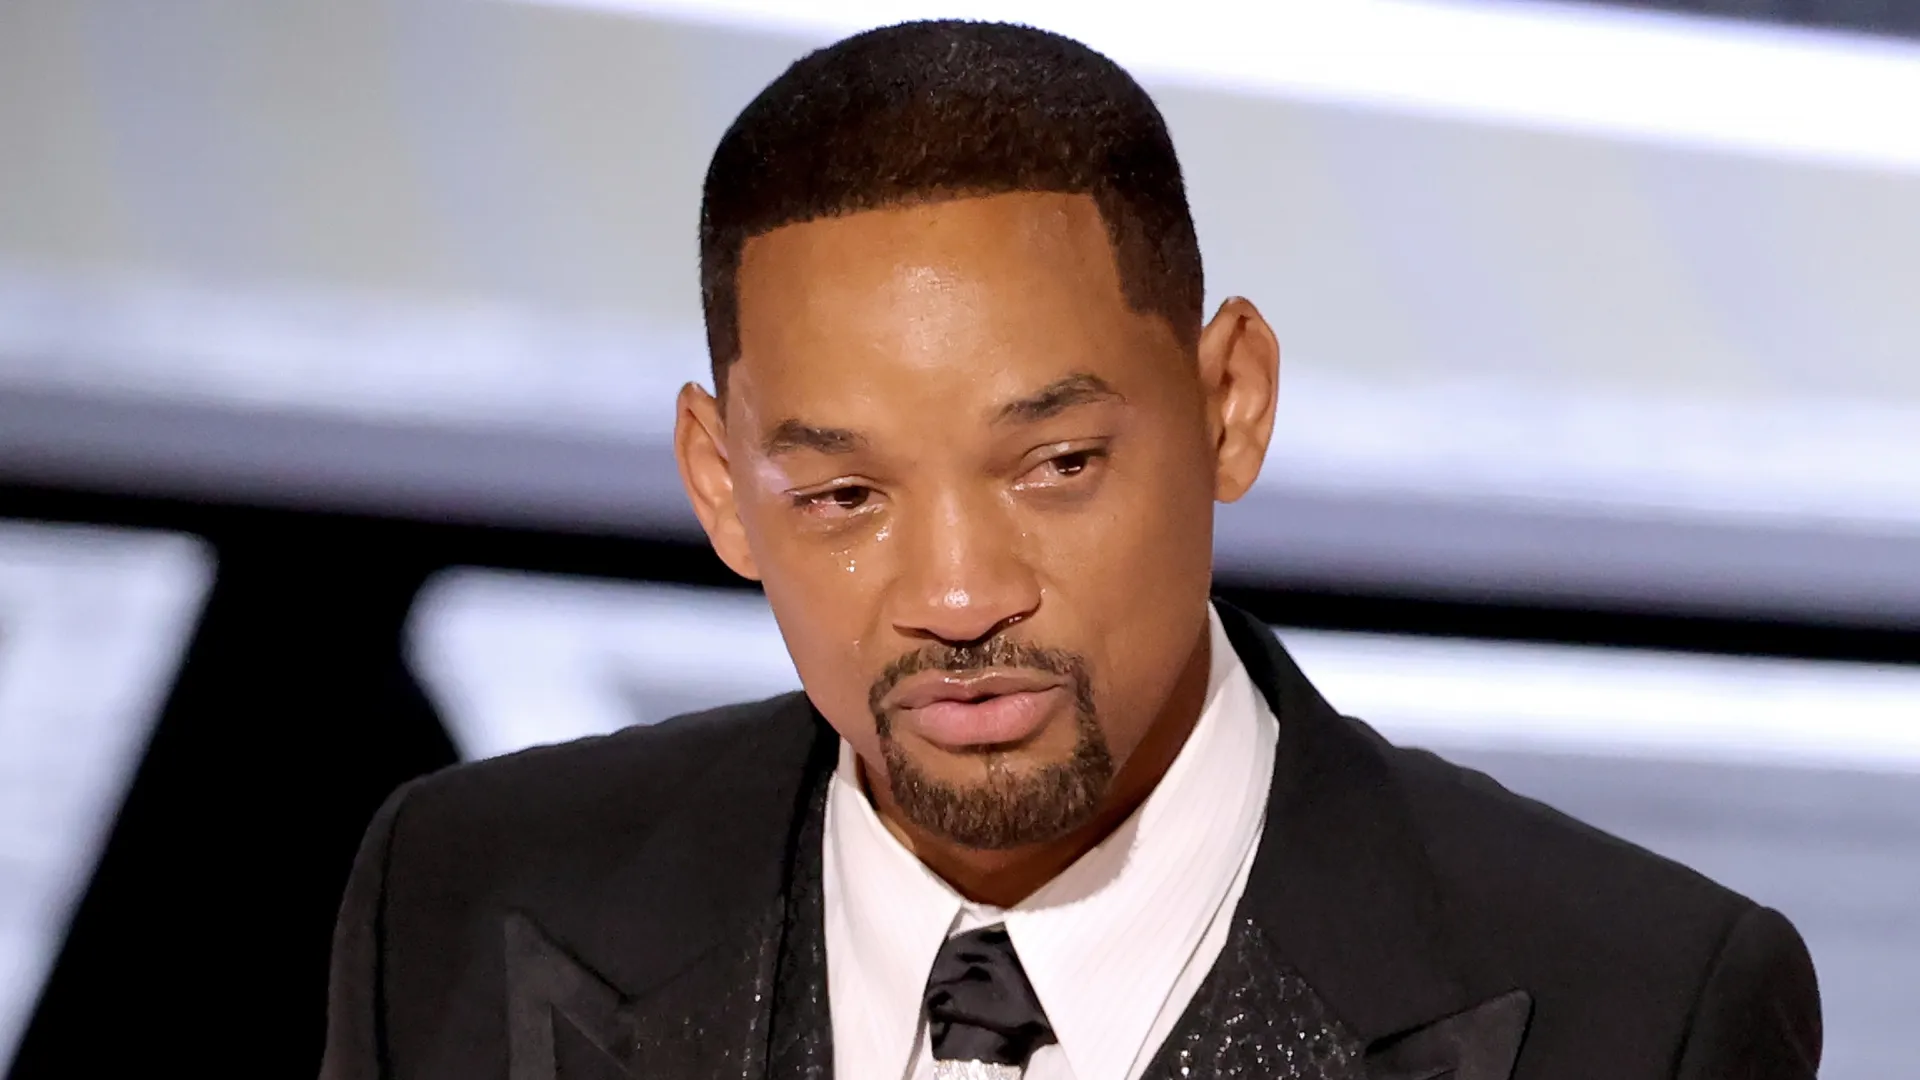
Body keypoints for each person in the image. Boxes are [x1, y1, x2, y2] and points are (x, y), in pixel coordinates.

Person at [319, 19, 1820, 1080]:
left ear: (1230, 404)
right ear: (722, 485)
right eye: (845, 498)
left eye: (1057, 466)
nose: (960, 597)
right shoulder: (464, 898)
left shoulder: (1642, 1008)